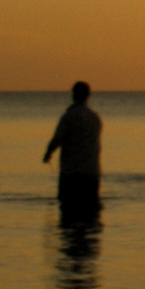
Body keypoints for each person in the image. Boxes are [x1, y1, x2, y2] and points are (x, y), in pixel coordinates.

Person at [43, 81, 103, 215]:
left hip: (71, 174)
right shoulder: (94, 118)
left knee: (68, 213)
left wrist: (48, 153)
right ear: (88, 95)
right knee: (91, 215)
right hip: (91, 173)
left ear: (74, 95)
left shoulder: (69, 116)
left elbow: (58, 138)